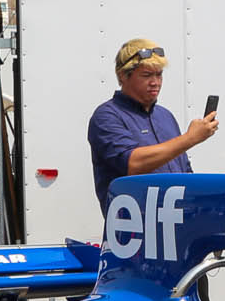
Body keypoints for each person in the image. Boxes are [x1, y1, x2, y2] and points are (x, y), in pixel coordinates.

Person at [87, 38, 217, 212]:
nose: (155, 82)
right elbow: (133, 163)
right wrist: (190, 138)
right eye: (147, 75)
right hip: (133, 231)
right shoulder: (107, 116)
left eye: (159, 74)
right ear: (123, 76)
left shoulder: (165, 116)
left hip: (175, 225)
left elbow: (185, 173)